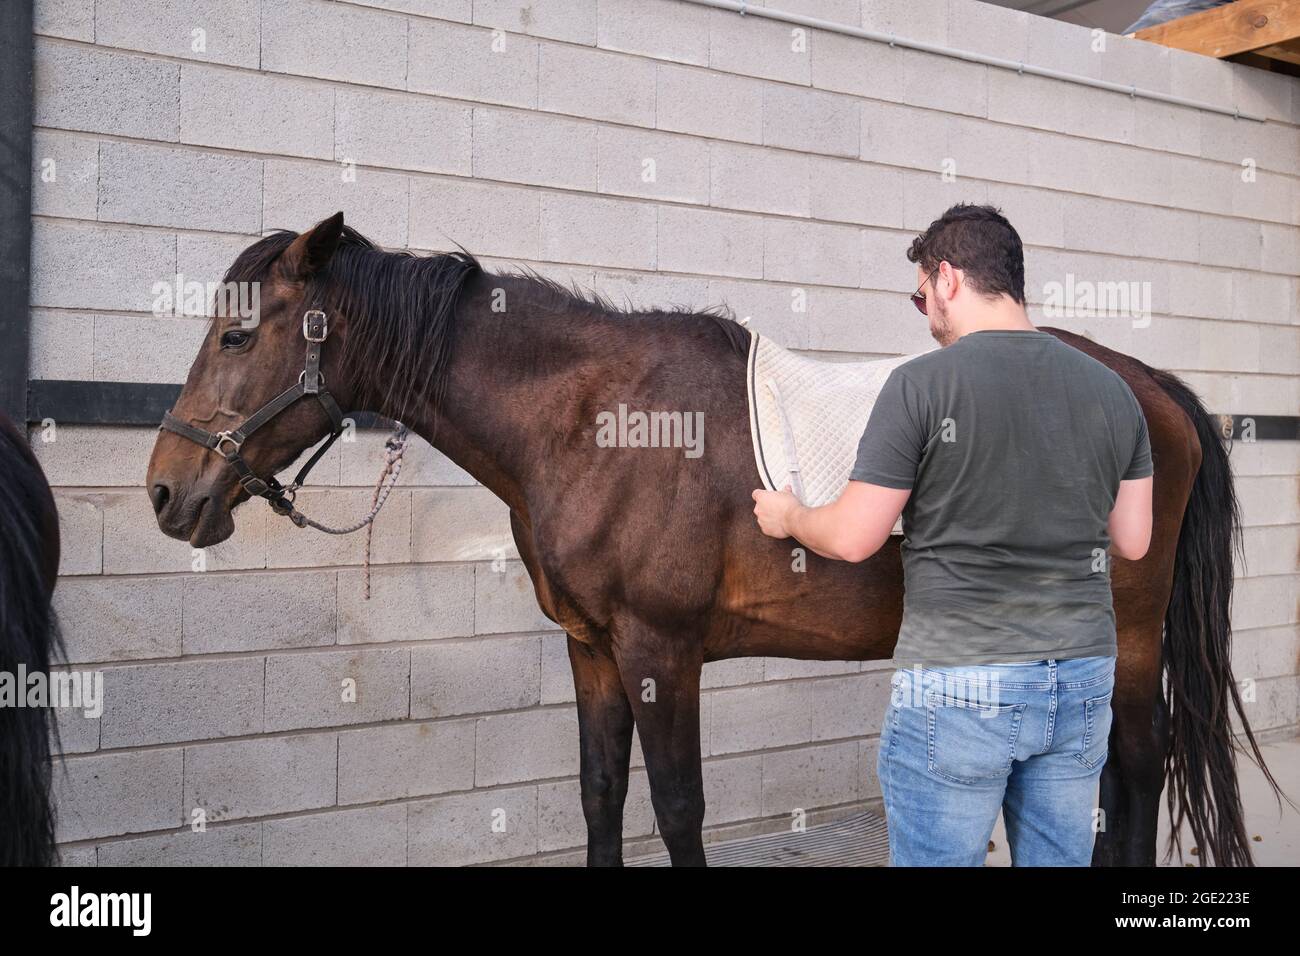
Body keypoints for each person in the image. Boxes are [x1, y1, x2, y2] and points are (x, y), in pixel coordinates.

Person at [751, 203, 1154, 866]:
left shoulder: (921, 384)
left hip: (961, 682)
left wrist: (790, 516)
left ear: (946, 279)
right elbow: (1133, 539)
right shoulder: (1112, 391)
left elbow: (854, 537)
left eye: (920, 297)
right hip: (1080, 675)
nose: (926, 314)